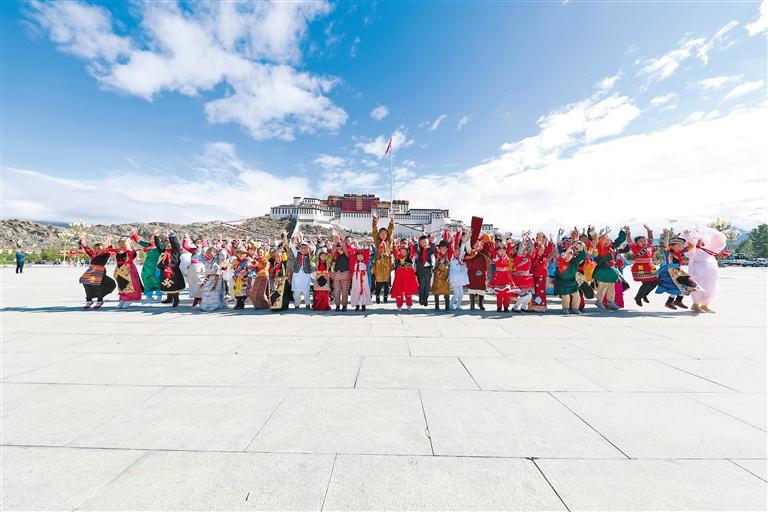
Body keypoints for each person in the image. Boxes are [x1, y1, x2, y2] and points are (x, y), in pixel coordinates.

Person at [656, 230, 700, 310]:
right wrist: (667, 235)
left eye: (682, 246)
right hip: (670, 272)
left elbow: (691, 246)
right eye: (679, 245)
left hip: (678, 271)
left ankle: (678, 301)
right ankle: (670, 302)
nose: (681, 247)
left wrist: (687, 237)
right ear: (671, 246)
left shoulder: (680, 252)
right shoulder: (668, 252)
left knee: (688, 285)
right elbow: (665, 245)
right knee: (675, 287)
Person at [688, 227, 728, 313]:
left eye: (701, 240)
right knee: (698, 287)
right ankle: (695, 304)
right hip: (698, 273)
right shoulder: (692, 250)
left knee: (710, 287)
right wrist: (692, 272)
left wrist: (721, 254)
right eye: (698, 240)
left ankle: (705, 305)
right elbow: (691, 261)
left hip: (709, 273)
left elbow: (712, 254)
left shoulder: (705, 249)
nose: (699, 242)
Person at [593, 227, 627, 311]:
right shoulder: (601, 249)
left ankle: (610, 301)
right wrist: (604, 236)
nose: (607, 241)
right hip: (603, 269)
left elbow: (619, 240)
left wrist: (623, 231)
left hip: (611, 270)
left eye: (608, 240)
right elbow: (601, 243)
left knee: (611, 286)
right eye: (605, 240)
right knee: (603, 285)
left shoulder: (612, 247)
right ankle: (599, 301)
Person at [79, 237, 117, 310]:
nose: (97, 250)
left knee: (98, 286)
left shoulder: (106, 254)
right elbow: (87, 249)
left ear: (102, 249)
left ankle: (100, 300)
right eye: (95, 248)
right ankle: (89, 300)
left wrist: (109, 242)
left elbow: (110, 249)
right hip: (91, 270)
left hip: (100, 271)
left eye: (99, 248)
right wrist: (83, 240)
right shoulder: (93, 254)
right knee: (86, 283)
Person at [627, 225, 658, 307]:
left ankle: (644, 294)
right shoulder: (635, 247)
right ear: (636, 242)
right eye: (641, 241)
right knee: (646, 283)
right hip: (640, 267)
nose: (643, 241)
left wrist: (649, 230)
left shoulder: (649, 246)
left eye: (644, 240)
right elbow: (629, 241)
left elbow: (650, 238)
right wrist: (628, 233)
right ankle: (638, 297)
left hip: (650, 266)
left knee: (656, 281)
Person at [154, 232, 186, 307]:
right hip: (164, 271)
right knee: (167, 285)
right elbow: (158, 246)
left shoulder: (175, 251)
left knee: (174, 285)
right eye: (167, 243)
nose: (168, 244)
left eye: (170, 243)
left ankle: (176, 299)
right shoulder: (164, 251)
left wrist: (172, 236)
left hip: (173, 271)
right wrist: (156, 237)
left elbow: (176, 244)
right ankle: (169, 298)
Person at [555, 241, 586, 314]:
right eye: (568, 254)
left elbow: (582, 256)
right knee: (566, 297)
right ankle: (565, 308)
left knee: (576, 296)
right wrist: (567, 251)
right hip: (563, 282)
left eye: (571, 254)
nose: (569, 256)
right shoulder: (561, 261)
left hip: (572, 281)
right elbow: (560, 258)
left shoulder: (575, 261)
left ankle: (575, 309)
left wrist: (581, 248)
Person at [131, 231, 163, 303]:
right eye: (150, 239)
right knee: (146, 280)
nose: (152, 240)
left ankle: (159, 296)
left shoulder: (161, 246)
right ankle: (149, 296)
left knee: (157, 280)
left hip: (157, 266)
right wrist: (134, 234)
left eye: (153, 238)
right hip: (147, 267)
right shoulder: (147, 245)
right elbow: (138, 241)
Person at [113, 236, 144, 309]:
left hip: (128, 269)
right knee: (121, 284)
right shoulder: (118, 251)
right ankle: (123, 298)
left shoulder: (130, 251)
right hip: (119, 269)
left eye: (124, 241)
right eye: (120, 241)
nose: (121, 242)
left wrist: (128, 241)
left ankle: (130, 299)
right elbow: (109, 250)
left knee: (130, 283)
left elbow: (131, 253)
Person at [287, 233, 315, 309]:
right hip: (297, 275)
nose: (303, 249)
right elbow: (292, 246)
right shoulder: (297, 253)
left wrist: (311, 242)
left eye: (305, 248)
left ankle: (307, 304)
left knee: (306, 291)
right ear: (299, 248)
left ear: (307, 249)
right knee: (296, 291)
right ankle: (296, 304)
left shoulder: (310, 255)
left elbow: (314, 248)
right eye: (302, 248)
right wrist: (294, 238)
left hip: (306, 275)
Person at [371, 215, 394, 303]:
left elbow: (391, 231)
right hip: (379, 263)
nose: (383, 235)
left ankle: (385, 296)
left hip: (387, 264)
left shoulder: (389, 241)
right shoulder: (377, 241)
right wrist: (375, 222)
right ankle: (377, 296)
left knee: (386, 282)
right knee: (378, 281)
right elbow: (374, 232)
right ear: (379, 235)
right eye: (381, 233)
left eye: (385, 233)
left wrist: (391, 223)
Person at [391, 239, 419, 310]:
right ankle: (399, 305)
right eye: (401, 250)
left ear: (407, 251)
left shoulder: (410, 257)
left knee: (408, 291)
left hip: (408, 277)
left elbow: (413, 251)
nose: (403, 252)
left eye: (405, 250)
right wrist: (394, 244)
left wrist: (413, 244)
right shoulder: (398, 257)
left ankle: (409, 304)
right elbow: (394, 251)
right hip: (399, 277)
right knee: (399, 291)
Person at [530, 233, 554, 312]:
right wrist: (537, 241)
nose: (541, 251)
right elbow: (535, 248)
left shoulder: (544, 256)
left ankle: (541, 306)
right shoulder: (534, 257)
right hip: (534, 277)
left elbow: (548, 249)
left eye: (543, 250)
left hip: (542, 277)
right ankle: (533, 306)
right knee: (535, 292)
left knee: (542, 292)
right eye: (540, 250)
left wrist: (551, 241)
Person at [488, 239, 514, 312]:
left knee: (506, 293)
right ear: (497, 251)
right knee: (499, 293)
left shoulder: (507, 256)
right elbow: (493, 250)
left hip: (506, 276)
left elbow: (509, 249)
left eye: (503, 250)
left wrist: (509, 243)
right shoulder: (496, 257)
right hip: (498, 276)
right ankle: (499, 307)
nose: (502, 252)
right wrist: (493, 243)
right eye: (500, 250)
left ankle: (506, 307)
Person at [200, 247, 226, 312]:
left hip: (217, 277)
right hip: (210, 277)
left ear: (215, 253)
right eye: (208, 253)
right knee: (208, 290)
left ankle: (215, 305)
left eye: (210, 253)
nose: (209, 254)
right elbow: (207, 270)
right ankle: (207, 305)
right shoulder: (207, 260)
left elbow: (223, 262)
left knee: (216, 291)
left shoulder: (218, 259)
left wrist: (219, 268)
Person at [182, 235, 207, 306]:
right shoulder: (194, 250)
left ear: (202, 244)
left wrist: (204, 241)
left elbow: (207, 258)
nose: (198, 244)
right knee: (193, 284)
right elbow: (185, 246)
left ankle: (200, 298)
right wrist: (185, 239)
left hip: (201, 269)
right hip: (192, 269)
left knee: (200, 283)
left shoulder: (204, 251)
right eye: (196, 242)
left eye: (199, 242)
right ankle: (196, 297)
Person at [330, 238, 352, 311]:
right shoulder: (336, 256)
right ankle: (337, 305)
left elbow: (345, 248)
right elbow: (332, 251)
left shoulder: (347, 254)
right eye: (338, 249)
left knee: (345, 291)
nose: (339, 250)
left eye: (341, 248)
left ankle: (344, 306)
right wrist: (335, 243)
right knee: (336, 291)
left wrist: (341, 242)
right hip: (336, 275)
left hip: (346, 274)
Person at [414, 234, 436, 307]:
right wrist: (416, 242)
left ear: (428, 242)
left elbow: (433, 249)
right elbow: (416, 249)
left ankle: (425, 298)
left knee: (427, 286)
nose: (424, 244)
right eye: (422, 242)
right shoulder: (419, 250)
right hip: (420, 271)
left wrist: (433, 242)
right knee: (422, 285)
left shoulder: (430, 250)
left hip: (428, 270)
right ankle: (421, 298)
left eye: (425, 242)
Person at [349, 243, 372, 311]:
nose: (360, 257)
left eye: (361, 256)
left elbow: (367, 253)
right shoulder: (354, 262)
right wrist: (353, 247)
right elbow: (351, 254)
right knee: (356, 289)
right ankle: (357, 304)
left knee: (364, 289)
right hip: (356, 278)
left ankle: (363, 304)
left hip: (363, 277)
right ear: (356, 257)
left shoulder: (365, 261)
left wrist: (366, 246)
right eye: (358, 256)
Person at [449, 236, 469, 310]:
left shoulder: (460, 259)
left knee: (461, 293)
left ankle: (458, 305)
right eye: (455, 251)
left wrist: (463, 243)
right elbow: (451, 250)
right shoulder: (451, 259)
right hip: (454, 278)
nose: (457, 253)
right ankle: (451, 304)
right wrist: (451, 242)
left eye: (458, 251)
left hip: (460, 278)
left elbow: (462, 249)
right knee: (456, 293)